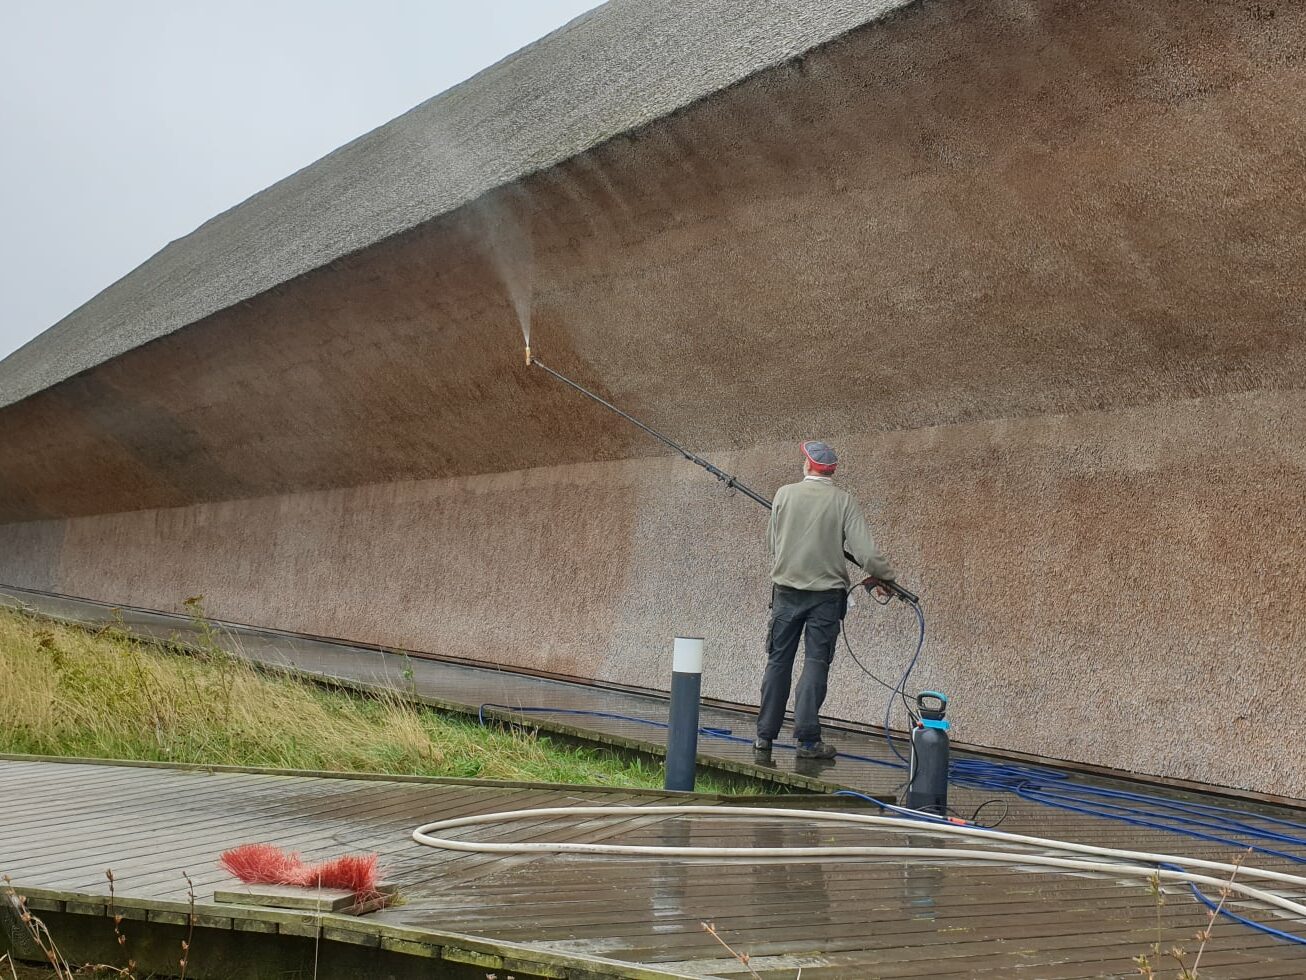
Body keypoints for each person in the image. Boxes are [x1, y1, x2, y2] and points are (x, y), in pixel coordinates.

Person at [755, 440, 898, 761]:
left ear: (807, 466)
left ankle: (764, 737)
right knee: (815, 663)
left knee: (778, 662)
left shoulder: (783, 495)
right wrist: (886, 576)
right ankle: (807, 742)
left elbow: (771, 544)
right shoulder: (843, 501)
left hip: (785, 593)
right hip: (826, 598)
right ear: (831, 471)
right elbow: (866, 554)